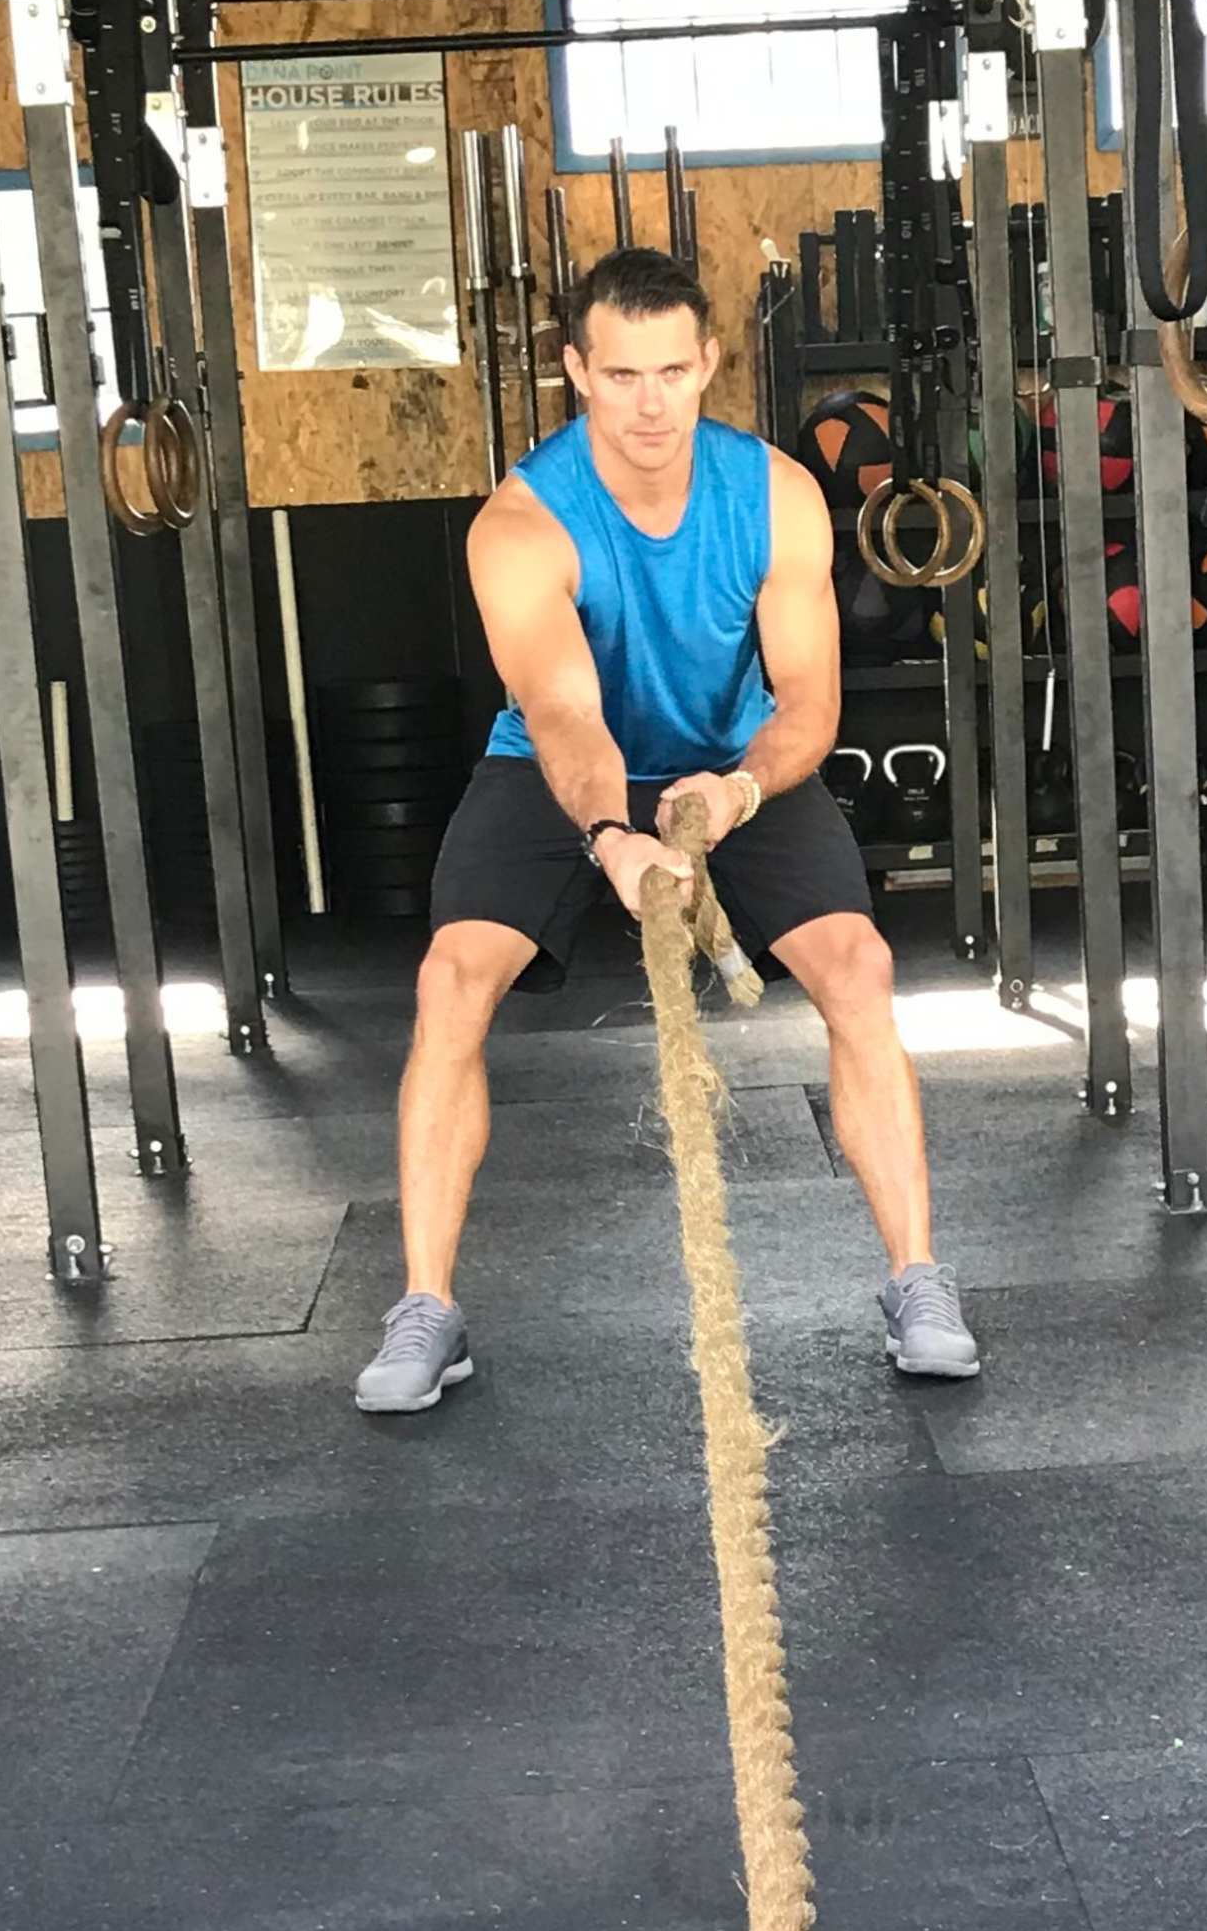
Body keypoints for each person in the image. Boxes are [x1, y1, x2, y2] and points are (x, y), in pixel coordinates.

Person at [353, 241, 981, 1413]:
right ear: (577, 372)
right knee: (450, 979)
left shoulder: (777, 495)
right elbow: (564, 713)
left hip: (731, 759)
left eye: (673, 373)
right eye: (622, 375)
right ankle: (427, 1306)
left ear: (709, 364)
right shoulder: (522, 523)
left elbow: (810, 707)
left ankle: (917, 1278)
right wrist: (611, 835)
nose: (651, 404)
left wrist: (737, 793)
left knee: (859, 964)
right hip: (554, 769)